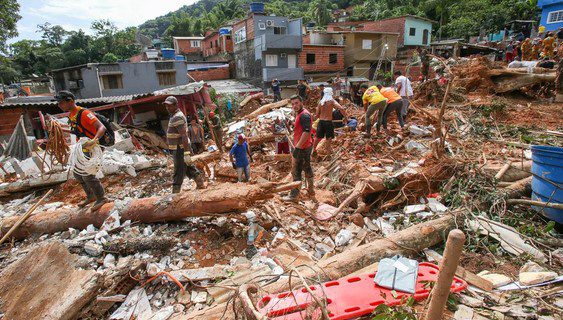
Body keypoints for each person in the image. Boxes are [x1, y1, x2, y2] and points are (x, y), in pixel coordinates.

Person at [55, 90, 108, 210]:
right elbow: (78, 131)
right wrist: (60, 129)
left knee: (87, 174)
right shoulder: (72, 115)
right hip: (82, 146)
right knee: (78, 173)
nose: (59, 106)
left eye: (61, 103)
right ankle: (91, 196)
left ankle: (102, 198)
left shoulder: (84, 113)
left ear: (70, 101)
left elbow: (102, 127)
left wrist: (94, 140)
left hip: (92, 146)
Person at [165, 96, 204, 193]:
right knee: (189, 168)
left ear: (175, 105)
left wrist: (186, 153)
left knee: (178, 170)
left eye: (169, 106)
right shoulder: (174, 115)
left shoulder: (177, 117)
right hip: (178, 148)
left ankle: (175, 193)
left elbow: (184, 136)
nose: (167, 108)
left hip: (180, 148)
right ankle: (200, 184)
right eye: (166, 106)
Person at [284, 95, 314, 202]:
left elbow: (306, 131)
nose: (294, 106)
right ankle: (311, 191)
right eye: (292, 104)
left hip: (302, 147)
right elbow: (303, 129)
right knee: (307, 167)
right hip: (305, 145)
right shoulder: (301, 114)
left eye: (296, 103)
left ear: (301, 102)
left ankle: (294, 196)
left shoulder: (304, 115)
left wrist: (297, 147)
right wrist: (292, 124)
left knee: (296, 171)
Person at [313, 87, 346, 154]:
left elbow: (316, 115)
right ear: (331, 93)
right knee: (329, 138)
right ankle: (328, 152)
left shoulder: (321, 102)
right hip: (328, 122)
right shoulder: (332, 101)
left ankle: (313, 149)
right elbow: (341, 108)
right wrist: (345, 117)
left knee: (318, 137)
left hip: (321, 122)